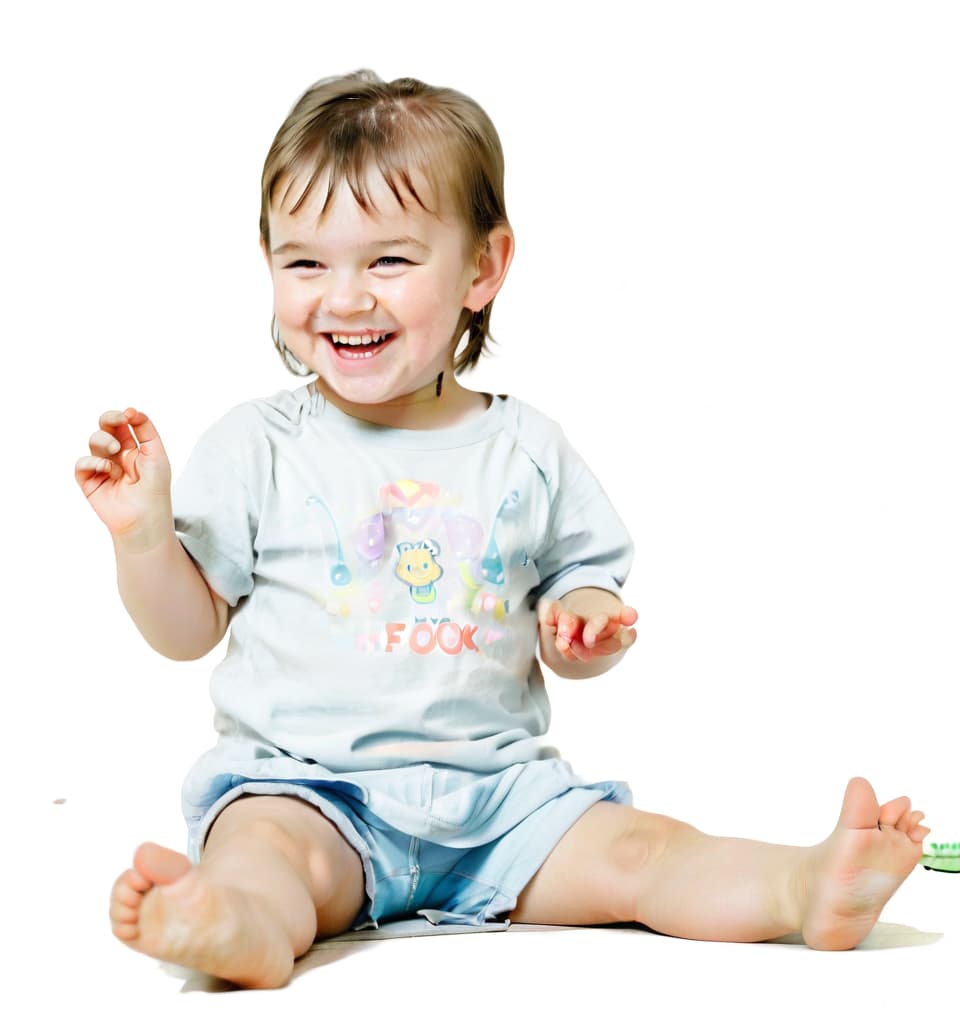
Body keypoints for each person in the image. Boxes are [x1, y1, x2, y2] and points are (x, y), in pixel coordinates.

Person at [76, 71, 929, 989]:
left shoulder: (525, 448)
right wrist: (143, 538)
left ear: (482, 267)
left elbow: (579, 598)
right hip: (307, 794)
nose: (346, 297)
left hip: (500, 804)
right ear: (267, 259)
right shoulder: (258, 445)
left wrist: (587, 623)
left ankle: (805, 887)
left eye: (390, 261)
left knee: (643, 854)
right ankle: (231, 922)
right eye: (306, 262)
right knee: (267, 860)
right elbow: (185, 632)